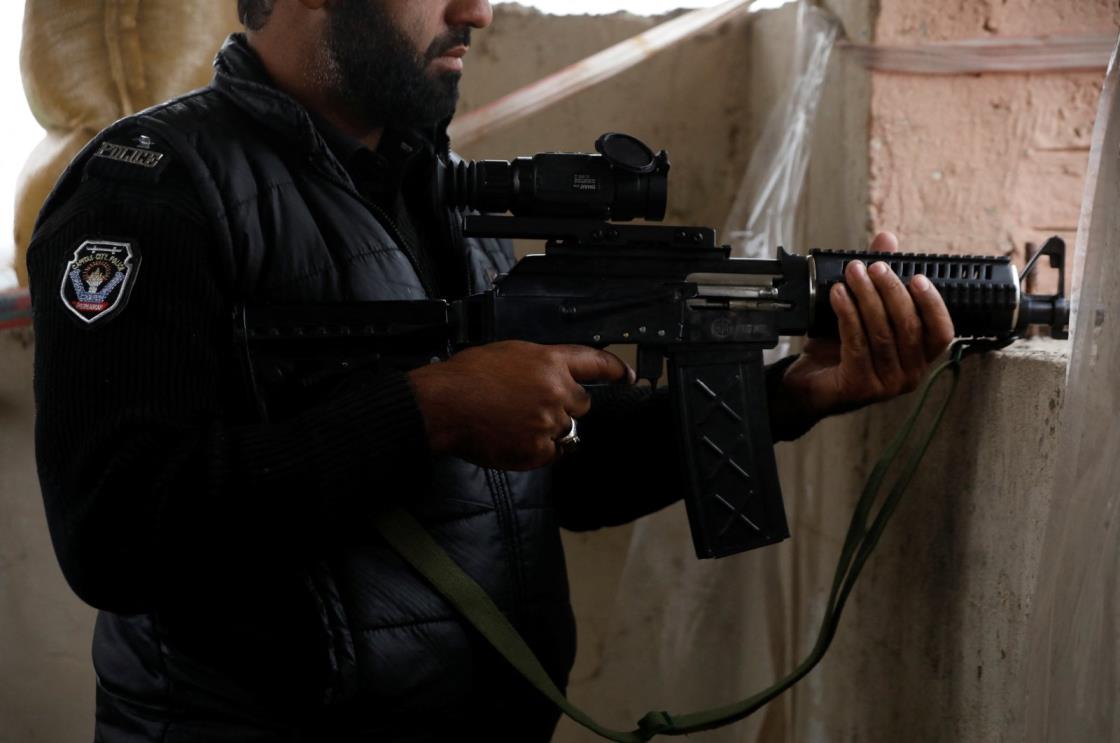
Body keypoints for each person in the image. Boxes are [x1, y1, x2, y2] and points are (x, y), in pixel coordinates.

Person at [25, 1, 955, 740]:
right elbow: (115, 528)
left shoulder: (429, 186)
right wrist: (427, 411)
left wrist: (793, 391)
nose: (479, 11)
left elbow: (560, 465)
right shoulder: (148, 189)